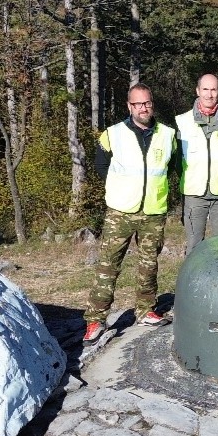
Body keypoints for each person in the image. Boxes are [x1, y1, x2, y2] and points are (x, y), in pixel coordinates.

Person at [83, 84, 176, 345]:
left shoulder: (168, 134)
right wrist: (120, 188)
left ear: (152, 104)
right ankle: (96, 320)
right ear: (129, 106)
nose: (143, 108)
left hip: (153, 211)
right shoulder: (112, 134)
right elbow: (101, 164)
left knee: (149, 265)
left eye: (147, 103)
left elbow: (170, 167)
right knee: (108, 266)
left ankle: (145, 311)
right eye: (138, 104)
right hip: (120, 211)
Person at [175, 73, 218, 254]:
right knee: (194, 247)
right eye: (205, 89)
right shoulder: (182, 121)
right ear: (197, 91)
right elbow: (177, 160)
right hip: (194, 194)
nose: (209, 94)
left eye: (213, 89)